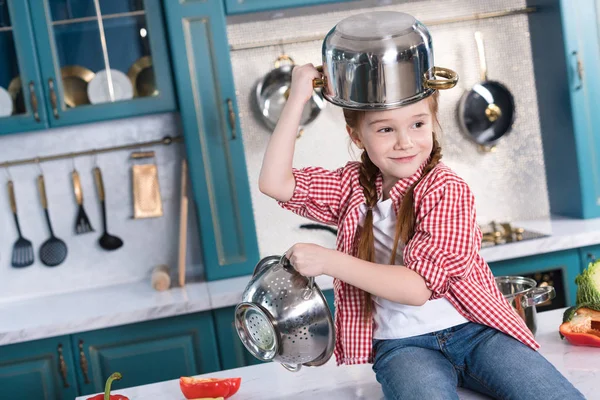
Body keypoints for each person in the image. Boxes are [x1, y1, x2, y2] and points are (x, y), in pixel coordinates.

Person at [257, 18, 584, 400]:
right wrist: (298, 96)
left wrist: (330, 262)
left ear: (433, 120)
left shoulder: (445, 190)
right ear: (355, 135)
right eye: (384, 129)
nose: (404, 142)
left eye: (417, 123)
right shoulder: (352, 187)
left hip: (476, 332)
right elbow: (274, 183)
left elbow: (417, 288)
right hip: (403, 346)